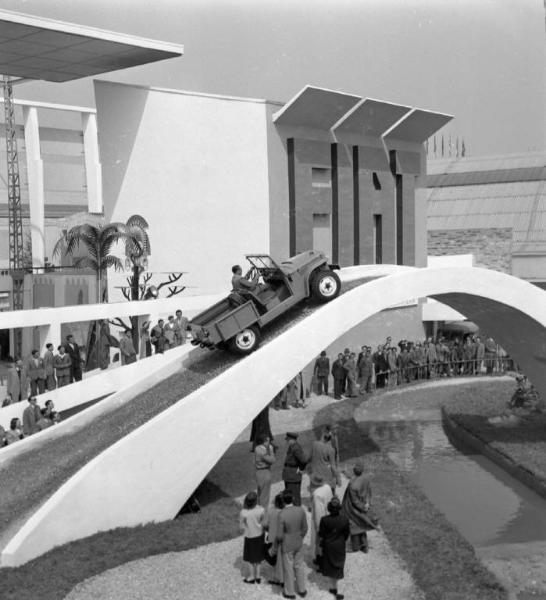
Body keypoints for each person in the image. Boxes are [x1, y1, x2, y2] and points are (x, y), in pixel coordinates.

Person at [277, 489, 308, 599]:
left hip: (287, 544)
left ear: (283, 501)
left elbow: (279, 535)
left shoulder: (282, 514)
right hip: (299, 542)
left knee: (288, 568)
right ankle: (302, 589)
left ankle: (290, 592)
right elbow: (305, 528)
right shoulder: (301, 510)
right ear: (293, 499)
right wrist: (300, 537)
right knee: (299, 566)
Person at [341, 461, 378, 553]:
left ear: (354, 471)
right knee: (362, 524)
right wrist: (368, 503)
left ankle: (356, 547)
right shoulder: (366, 479)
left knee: (354, 526)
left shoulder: (353, 485)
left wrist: (362, 507)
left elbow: (354, 501)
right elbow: (369, 492)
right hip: (363, 504)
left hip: (353, 508)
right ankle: (365, 546)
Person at [318, 497, 350, 600]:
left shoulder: (324, 520)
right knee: (338, 566)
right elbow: (346, 534)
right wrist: (341, 540)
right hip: (339, 545)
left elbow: (321, 534)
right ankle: (335, 588)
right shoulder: (344, 520)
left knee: (330, 565)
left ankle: (333, 587)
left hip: (328, 546)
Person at [239, 490, 266, 584]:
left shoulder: (243, 512)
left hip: (249, 536)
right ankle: (258, 576)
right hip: (259, 535)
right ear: (256, 501)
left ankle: (251, 576)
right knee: (258, 557)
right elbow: (263, 521)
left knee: (250, 558)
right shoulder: (261, 510)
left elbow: (241, 526)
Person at [310, 474, 333, 566]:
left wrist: (319, 528)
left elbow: (319, 513)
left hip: (322, 521)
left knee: (319, 542)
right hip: (330, 515)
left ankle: (320, 561)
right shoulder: (327, 487)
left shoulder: (317, 494)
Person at [282, 432, 307, 507]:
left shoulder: (296, 448)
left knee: (294, 496)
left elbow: (303, 461)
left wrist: (300, 469)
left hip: (293, 476)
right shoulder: (292, 446)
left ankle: (297, 510)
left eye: (288, 440)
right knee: (290, 494)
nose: (287, 441)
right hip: (290, 475)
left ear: (292, 440)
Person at [266, 492, 285, 587]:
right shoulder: (285, 513)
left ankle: (276, 578)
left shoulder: (271, 511)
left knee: (274, 560)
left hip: (273, 537)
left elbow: (266, 524)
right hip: (282, 539)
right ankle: (284, 577)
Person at [255, 433, 275, 509]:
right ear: (263, 442)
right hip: (265, 472)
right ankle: (264, 518)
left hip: (259, 472)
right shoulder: (263, 451)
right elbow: (272, 460)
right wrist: (271, 451)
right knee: (265, 497)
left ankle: (258, 511)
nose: (269, 443)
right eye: (268, 441)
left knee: (260, 493)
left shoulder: (257, 448)